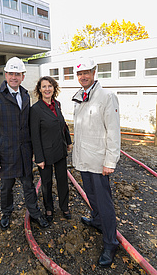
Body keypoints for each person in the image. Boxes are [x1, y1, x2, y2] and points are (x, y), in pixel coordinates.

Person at [0, 57, 49, 231]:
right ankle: (6, 213)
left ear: (23, 76)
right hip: (4, 155)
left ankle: (34, 214)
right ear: (5, 75)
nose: (14, 77)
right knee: (6, 188)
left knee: (28, 185)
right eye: (11, 73)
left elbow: (28, 127)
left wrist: (34, 151)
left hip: (23, 153)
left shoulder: (26, 96)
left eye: (17, 74)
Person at [72, 57, 120, 267]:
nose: (83, 76)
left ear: (94, 72)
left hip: (100, 162)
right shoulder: (81, 96)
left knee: (104, 202)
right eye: (80, 73)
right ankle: (97, 220)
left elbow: (113, 132)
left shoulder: (107, 97)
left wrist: (110, 160)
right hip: (84, 160)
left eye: (87, 72)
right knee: (91, 195)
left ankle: (111, 243)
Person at [30, 76, 72, 222]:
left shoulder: (57, 104)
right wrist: (39, 158)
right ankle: (49, 209)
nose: (47, 89)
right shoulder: (35, 109)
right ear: (39, 90)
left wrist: (68, 141)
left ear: (54, 88)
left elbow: (63, 124)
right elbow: (34, 135)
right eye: (44, 86)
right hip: (45, 153)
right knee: (46, 183)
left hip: (60, 150)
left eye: (50, 86)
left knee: (62, 180)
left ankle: (64, 206)